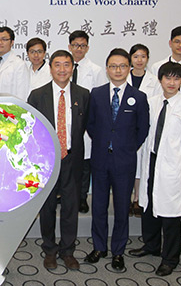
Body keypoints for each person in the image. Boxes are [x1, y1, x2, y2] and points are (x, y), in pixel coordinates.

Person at [129, 62, 181, 276]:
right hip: (151, 160)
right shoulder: (151, 103)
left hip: (173, 167)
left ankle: (170, 258)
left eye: (176, 79)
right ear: (160, 80)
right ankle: (151, 245)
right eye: (167, 78)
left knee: (170, 214)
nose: (171, 82)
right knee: (150, 206)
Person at [85, 48, 149, 271]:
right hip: (100, 159)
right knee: (99, 206)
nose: (118, 70)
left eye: (122, 66)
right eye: (113, 66)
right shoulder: (97, 93)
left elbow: (143, 129)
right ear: (107, 69)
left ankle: (118, 251)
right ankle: (99, 247)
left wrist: (127, 147)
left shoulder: (138, 97)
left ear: (129, 68)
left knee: (122, 208)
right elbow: (91, 124)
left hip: (125, 161)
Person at [27, 50, 89, 271]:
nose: (62, 69)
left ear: (72, 68)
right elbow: (30, 129)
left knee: (71, 206)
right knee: (48, 206)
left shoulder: (83, 94)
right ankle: (50, 249)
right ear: (50, 68)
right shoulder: (37, 95)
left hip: (73, 158)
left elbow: (88, 127)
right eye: (57, 65)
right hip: (47, 160)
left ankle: (68, 250)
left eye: (66, 65)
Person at [67, 30, 107, 214]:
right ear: (69, 46)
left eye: (82, 46)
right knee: (68, 161)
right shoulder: (63, 67)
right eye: (75, 45)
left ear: (88, 48)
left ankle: (82, 198)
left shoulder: (96, 70)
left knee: (84, 164)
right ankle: (66, 195)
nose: (79, 49)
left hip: (87, 122)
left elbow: (98, 99)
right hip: (67, 122)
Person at [126, 43, 161, 217]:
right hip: (125, 128)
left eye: (143, 56)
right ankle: (128, 198)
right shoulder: (123, 76)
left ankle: (138, 199)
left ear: (147, 59)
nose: (139, 60)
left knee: (142, 166)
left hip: (144, 127)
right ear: (130, 59)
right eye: (136, 56)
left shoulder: (154, 81)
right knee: (127, 166)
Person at [0, 27, 30, 100]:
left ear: (12, 42)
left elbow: (22, 94)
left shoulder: (19, 65)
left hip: (8, 109)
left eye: (4, 39)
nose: (0, 42)